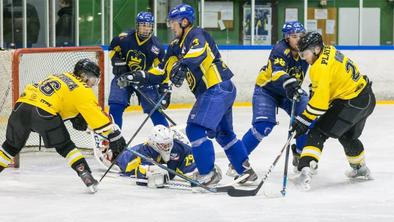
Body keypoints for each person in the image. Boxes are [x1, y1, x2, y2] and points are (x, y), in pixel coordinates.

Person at [118, 4, 256, 186]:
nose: (171, 26)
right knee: (224, 133)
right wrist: (137, 76)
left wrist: (183, 66)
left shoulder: (197, 34)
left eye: (174, 23)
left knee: (194, 128)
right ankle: (245, 169)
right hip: (221, 91)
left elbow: (198, 51)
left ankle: (208, 174)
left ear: (185, 22)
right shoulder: (176, 46)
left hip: (217, 87)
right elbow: (161, 72)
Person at [0, 59, 126, 193]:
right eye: (93, 80)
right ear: (83, 76)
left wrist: (73, 115)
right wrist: (113, 134)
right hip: (43, 114)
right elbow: (98, 118)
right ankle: (86, 175)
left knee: (10, 147)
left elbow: (60, 99)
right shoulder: (82, 89)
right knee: (66, 147)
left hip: (21, 108)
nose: (93, 84)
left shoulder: (59, 76)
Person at [291, 32, 376, 190]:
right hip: (367, 98)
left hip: (351, 103)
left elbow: (320, 105)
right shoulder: (329, 50)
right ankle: (360, 168)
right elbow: (331, 81)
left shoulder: (319, 68)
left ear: (316, 49)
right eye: (301, 55)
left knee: (317, 133)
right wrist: (314, 90)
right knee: (347, 136)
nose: (304, 59)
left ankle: (305, 170)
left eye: (305, 54)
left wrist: (302, 120)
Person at [237, 21, 309, 176]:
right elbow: (277, 72)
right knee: (263, 126)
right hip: (267, 90)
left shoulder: (306, 51)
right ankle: (237, 162)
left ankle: (300, 155)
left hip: (289, 92)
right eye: (294, 36)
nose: (299, 39)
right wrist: (290, 84)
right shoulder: (280, 49)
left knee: (306, 118)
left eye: (301, 36)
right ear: (287, 38)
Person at [108, 11, 169, 129]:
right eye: (143, 25)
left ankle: (166, 137)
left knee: (154, 109)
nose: (146, 28)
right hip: (123, 76)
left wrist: (164, 87)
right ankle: (114, 138)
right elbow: (113, 49)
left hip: (144, 80)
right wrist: (116, 61)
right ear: (137, 26)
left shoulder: (157, 47)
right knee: (115, 105)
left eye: (149, 25)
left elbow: (161, 70)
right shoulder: (124, 38)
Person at [114, 125, 195, 188]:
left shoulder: (176, 146)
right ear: (153, 143)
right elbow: (141, 178)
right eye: (163, 145)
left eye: (168, 144)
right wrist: (153, 171)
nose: (167, 147)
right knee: (118, 156)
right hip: (124, 158)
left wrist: (195, 168)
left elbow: (189, 153)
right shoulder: (145, 151)